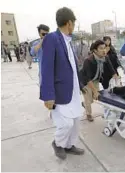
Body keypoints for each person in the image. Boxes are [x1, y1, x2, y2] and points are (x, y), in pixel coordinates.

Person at [40, 7, 84, 160]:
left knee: (76, 121)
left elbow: (73, 66)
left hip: (74, 90)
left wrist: (82, 86)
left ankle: (69, 145)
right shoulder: (52, 38)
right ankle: (58, 144)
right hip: (60, 91)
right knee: (65, 124)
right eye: (74, 23)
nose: (73, 26)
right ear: (69, 23)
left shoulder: (68, 41)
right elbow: (46, 69)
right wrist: (48, 95)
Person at [79, 40, 118, 122]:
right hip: (86, 81)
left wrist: (116, 77)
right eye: (101, 48)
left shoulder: (105, 57)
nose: (104, 50)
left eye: (104, 48)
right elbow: (87, 78)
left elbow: (111, 68)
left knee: (93, 98)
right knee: (88, 98)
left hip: (96, 79)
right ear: (95, 50)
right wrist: (95, 91)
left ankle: (84, 104)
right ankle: (88, 114)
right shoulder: (88, 61)